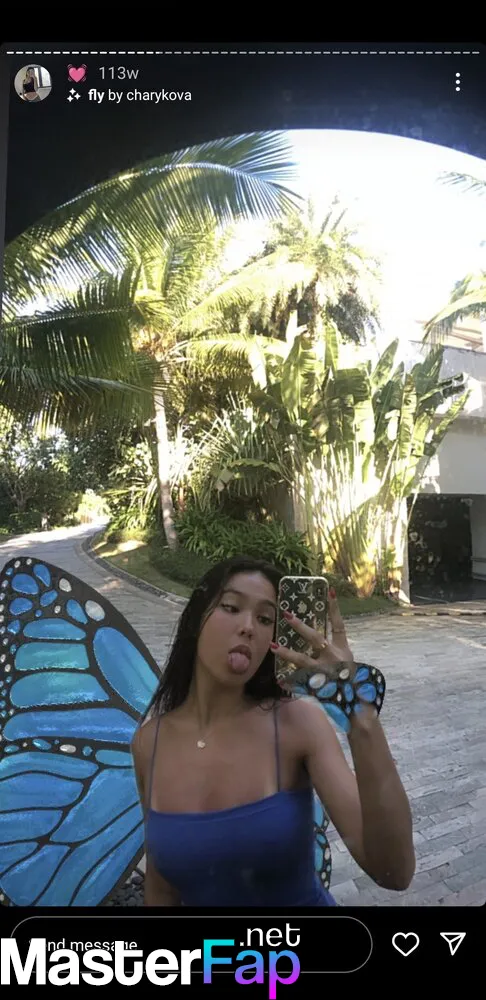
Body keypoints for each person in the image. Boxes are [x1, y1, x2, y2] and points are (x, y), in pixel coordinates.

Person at [131, 555, 415, 906]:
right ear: (195, 620)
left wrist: (359, 710)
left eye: (266, 619)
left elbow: (394, 871)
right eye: (231, 607)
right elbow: (161, 888)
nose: (249, 627)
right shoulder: (149, 743)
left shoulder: (299, 724)